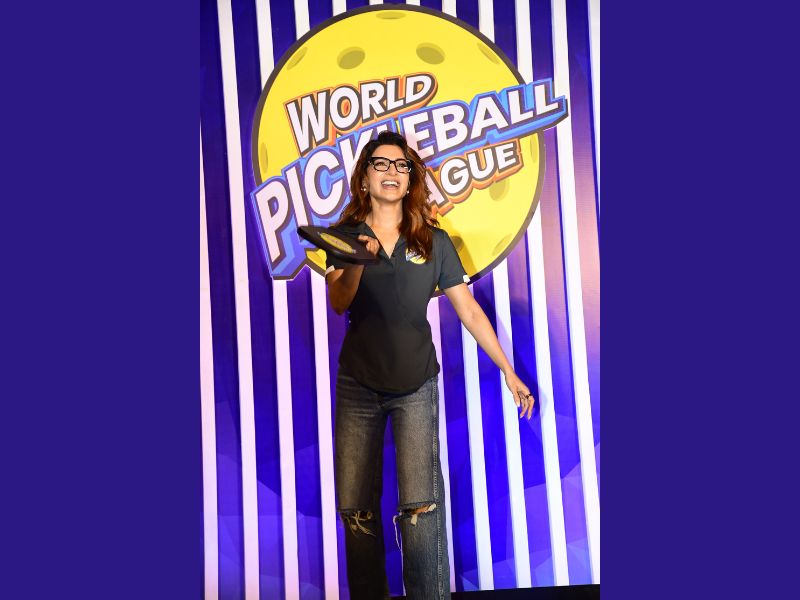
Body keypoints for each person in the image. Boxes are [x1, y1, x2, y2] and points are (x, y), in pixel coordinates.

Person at [325, 130, 535, 599]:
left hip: (416, 385)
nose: (392, 172)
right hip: (358, 386)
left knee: (421, 509)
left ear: (410, 179)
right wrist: (358, 260)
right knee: (356, 511)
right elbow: (338, 301)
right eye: (381, 164)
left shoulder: (432, 241)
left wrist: (508, 369)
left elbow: (469, 311)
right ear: (364, 178)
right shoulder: (345, 236)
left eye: (401, 165)